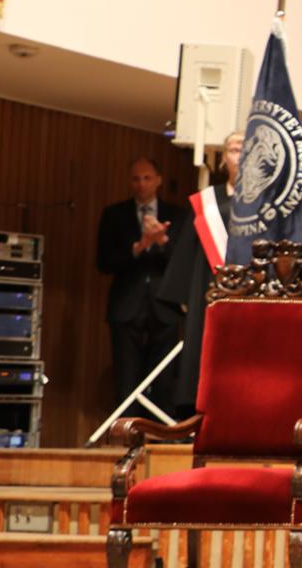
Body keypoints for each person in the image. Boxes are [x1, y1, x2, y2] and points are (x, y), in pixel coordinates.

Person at [154, 133, 242, 420]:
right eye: (232, 149)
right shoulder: (208, 203)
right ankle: (199, 413)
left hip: (250, 294)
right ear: (223, 157)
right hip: (208, 289)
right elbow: (186, 255)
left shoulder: (268, 204)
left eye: (246, 149)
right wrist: (183, 298)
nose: (239, 155)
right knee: (202, 349)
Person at [97, 157, 184, 415]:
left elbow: (182, 262)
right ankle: (126, 437)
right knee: (126, 374)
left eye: (147, 178)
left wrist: (162, 240)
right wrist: (138, 247)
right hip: (126, 306)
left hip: (164, 306)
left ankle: (161, 438)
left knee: (164, 377)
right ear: (129, 181)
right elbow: (103, 262)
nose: (141, 184)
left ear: (158, 180)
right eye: (136, 178)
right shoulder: (114, 214)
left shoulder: (177, 215)